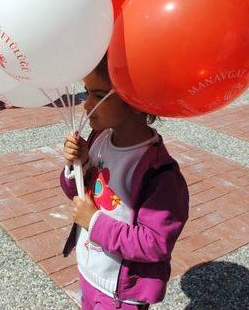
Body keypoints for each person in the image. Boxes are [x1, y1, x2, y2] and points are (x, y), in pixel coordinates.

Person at [60, 56, 189, 309]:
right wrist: (77, 165)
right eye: (87, 93)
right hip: (90, 273)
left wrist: (94, 222)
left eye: (98, 95)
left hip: (121, 294)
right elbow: (76, 193)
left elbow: (154, 243)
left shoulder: (160, 173)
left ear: (136, 100)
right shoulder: (98, 138)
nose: (86, 105)